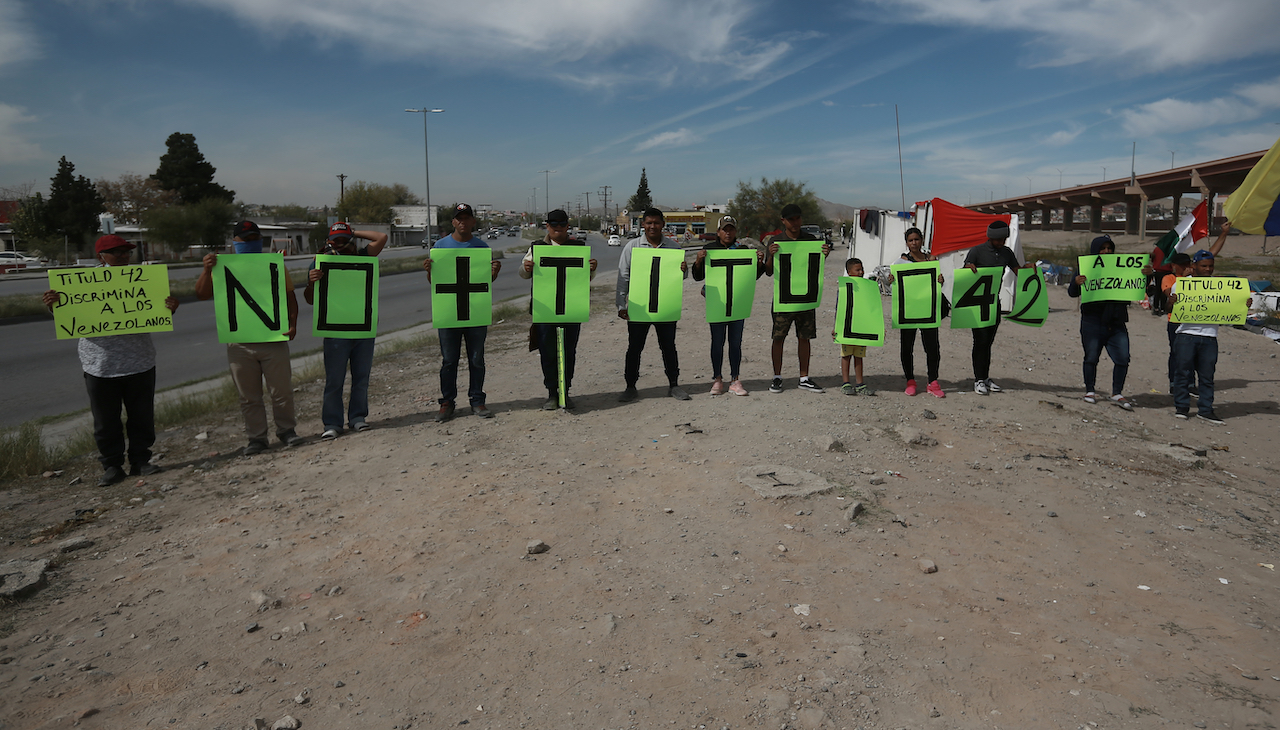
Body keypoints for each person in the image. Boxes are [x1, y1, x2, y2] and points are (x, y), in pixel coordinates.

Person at [42, 235, 179, 486]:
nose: (124, 257)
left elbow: (158, 309)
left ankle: (141, 461)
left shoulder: (143, 278)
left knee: (142, 417)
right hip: (99, 365)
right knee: (106, 421)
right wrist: (54, 306)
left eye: (127, 253)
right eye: (117, 253)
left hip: (140, 361)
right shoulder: (82, 283)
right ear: (101, 257)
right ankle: (112, 466)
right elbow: (71, 313)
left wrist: (169, 306)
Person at [195, 220, 303, 455]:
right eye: (245, 238)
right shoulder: (220, 267)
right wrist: (206, 269)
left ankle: (287, 431)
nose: (251, 242)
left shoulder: (273, 264)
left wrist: (292, 323)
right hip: (239, 343)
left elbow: (290, 298)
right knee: (248, 397)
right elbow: (202, 294)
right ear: (234, 242)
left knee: (281, 392)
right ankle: (257, 438)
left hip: (273, 339)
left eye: (255, 238)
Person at [304, 222, 388, 438]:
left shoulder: (363, 256)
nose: (340, 245)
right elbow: (311, 300)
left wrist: (353, 231)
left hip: (362, 328)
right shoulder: (320, 261)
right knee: (334, 380)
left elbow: (381, 237)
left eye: (344, 240)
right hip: (335, 331)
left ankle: (357, 418)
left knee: (361, 377)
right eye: (335, 240)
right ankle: (332, 423)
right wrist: (312, 283)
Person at [423, 203, 502, 422]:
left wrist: (494, 273)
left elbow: (484, 283)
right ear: (453, 222)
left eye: (467, 218)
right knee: (449, 360)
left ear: (473, 222)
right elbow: (435, 284)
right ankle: (447, 402)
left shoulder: (481, 247)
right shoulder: (439, 246)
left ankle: (477, 400)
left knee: (476, 359)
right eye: (459, 218)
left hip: (475, 311)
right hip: (448, 312)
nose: (463, 222)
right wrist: (430, 272)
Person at [520, 209, 597, 410]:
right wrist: (526, 268)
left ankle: (566, 391)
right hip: (545, 310)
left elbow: (586, 277)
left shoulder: (578, 247)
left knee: (568, 351)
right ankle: (552, 393)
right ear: (548, 226)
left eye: (561, 225)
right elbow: (523, 274)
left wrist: (592, 268)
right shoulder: (537, 248)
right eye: (554, 225)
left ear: (566, 226)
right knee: (548, 352)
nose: (558, 228)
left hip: (571, 308)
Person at [616, 207, 689, 402]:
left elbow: (680, 278)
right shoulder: (632, 247)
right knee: (634, 347)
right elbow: (623, 277)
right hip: (639, 306)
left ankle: (674, 384)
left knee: (668, 346)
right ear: (642, 225)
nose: (652, 226)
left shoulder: (674, 248)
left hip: (665, 306)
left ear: (663, 225)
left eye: (656, 223)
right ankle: (630, 386)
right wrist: (621, 305)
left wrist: (683, 270)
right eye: (649, 223)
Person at [1168, 249, 1249, 424]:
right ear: (1194, 266)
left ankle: (1205, 410)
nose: (1208, 269)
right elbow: (1169, 309)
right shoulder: (1182, 284)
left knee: (1207, 376)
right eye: (1204, 266)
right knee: (1182, 373)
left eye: (1211, 266)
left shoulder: (1220, 286)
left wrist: (1244, 305)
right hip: (1186, 335)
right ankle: (1181, 407)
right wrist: (1171, 302)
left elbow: (1230, 307)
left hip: (1210, 337)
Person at [691, 215, 765, 396]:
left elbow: (752, 277)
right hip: (717, 304)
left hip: (737, 303)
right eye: (724, 229)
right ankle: (717, 378)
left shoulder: (742, 249)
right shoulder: (709, 249)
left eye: (731, 229)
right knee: (717, 342)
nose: (728, 232)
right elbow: (697, 276)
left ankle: (735, 379)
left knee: (735, 343)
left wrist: (759, 262)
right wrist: (699, 260)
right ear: (718, 232)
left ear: (735, 231)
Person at [763, 203, 833, 393]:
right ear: (783, 220)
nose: (795, 222)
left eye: (798, 218)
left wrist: (823, 256)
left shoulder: (810, 240)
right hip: (783, 300)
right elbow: (768, 272)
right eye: (791, 219)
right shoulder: (776, 241)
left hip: (805, 299)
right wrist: (770, 256)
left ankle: (804, 377)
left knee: (805, 338)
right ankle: (777, 377)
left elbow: (814, 268)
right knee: (778, 339)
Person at [962, 220, 1034, 395]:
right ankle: (978, 379)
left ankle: (985, 377)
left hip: (995, 302)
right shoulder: (977, 251)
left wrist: (1028, 268)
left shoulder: (1007, 253)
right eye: (999, 239)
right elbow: (964, 272)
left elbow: (1018, 271)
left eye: (1004, 239)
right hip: (977, 304)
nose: (1002, 242)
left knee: (988, 342)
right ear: (991, 237)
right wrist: (968, 267)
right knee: (979, 342)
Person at [1067, 235, 1137, 410]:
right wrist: (1076, 283)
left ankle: (1117, 393)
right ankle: (1090, 390)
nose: (1106, 251)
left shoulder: (1122, 268)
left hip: (1117, 322)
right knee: (1091, 358)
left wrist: (1146, 276)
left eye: (1109, 248)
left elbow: (1135, 287)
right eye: (1103, 248)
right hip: (1092, 321)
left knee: (1123, 358)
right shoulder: (1086, 267)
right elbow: (1072, 292)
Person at [896, 227, 945, 398]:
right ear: (907, 242)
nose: (914, 243)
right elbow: (895, 286)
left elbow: (936, 285)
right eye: (910, 240)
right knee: (906, 347)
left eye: (916, 239)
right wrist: (892, 280)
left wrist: (940, 280)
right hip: (909, 310)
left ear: (922, 240)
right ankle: (910, 380)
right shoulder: (902, 262)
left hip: (928, 310)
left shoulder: (931, 259)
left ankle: (933, 381)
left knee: (932, 347)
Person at [832, 258, 875, 396]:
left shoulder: (867, 286)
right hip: (847, 327)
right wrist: (836, 326)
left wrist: (876, 328)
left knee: (859, 356)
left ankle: (860, 383)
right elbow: (839, 308)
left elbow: (871, 308)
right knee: (846, 355)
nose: (861, 272)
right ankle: (846, 383)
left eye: (862, 269)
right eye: (857, 270)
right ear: (849, 272)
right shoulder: (844, 288)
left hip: (861, 327)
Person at [1161, 252, 1194, 394]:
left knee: (1192, 353)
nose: (1185, 267)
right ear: (1173, 266)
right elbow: (1170, 294)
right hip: (1174, 320)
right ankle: (1174, 382)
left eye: (1187, 264)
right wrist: (1185, 279)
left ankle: (1191, 382)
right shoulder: (1169, 278)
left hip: (1191, 319)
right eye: (1182, 265)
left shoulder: (1195, 279)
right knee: (1176, 353)